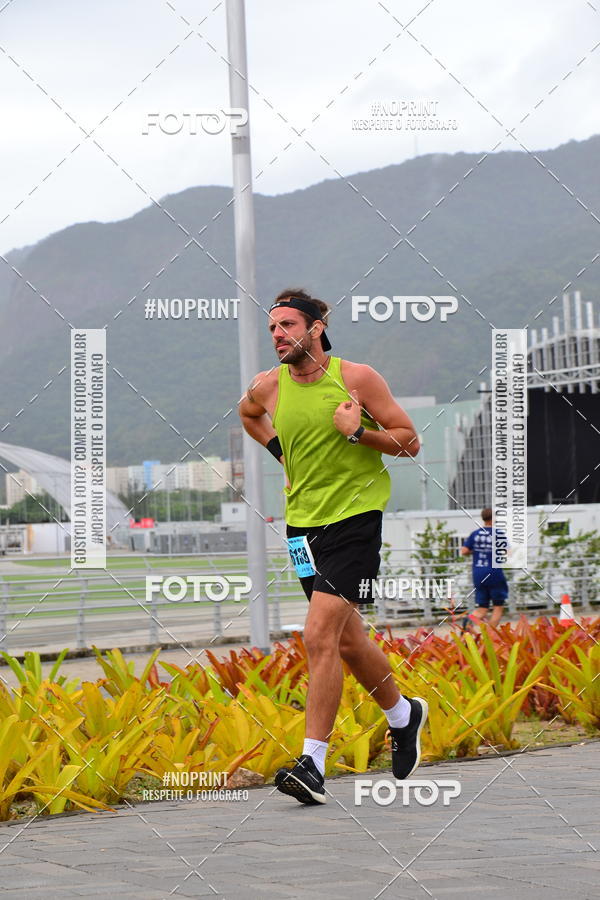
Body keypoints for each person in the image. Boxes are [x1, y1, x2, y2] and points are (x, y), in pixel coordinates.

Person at [238, 287, 428, 804]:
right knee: (345, 640)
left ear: (316, 328)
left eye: (289, 326)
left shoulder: (356, 378)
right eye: (273, 328)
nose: (278, 335)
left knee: (318, 633)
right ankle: (403, 714)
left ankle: (311, 764)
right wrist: (281, 453)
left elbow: (409, 441)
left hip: (355, 522)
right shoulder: (268, 386)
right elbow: (247, 415)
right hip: (302, 528)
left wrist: (357, 433)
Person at [460, 507, 509, 632]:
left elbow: (464, 551)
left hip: (478, 573)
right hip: (494, 573)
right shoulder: (498, 533)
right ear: (494, 518)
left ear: (483, 518)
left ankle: (468, 624)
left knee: (482, 608)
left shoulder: (475, 534)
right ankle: (490, 635)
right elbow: (507, 552)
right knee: (498, 607)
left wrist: (475, 550)